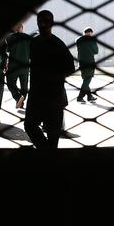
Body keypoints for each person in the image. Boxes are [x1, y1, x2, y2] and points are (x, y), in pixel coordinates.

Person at [24, 10, 75, 149]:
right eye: (40, 21)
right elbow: (70, 68)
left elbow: (70, 67)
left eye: (45, 21)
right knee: (44, 131)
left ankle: (46, 153)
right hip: (45, 95)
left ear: (51, 23)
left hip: (50, 95)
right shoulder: (37, 43)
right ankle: (48, 155)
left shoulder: (54, 44)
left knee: (39, 129)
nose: (42, 24)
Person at [6, 22, 32, 110]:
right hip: (25, 66)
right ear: (22, 27)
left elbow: (7, 51)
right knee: (24, 85)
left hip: (13, 66)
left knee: (10, 83)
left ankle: (17, 97)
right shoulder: (29, 38)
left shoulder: (10, 38)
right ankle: (23, 97)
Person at [75, 27, 99, 103]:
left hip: (81, 63)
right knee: (87, 81)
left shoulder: (78, 40)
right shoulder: (92, 41)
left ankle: (89, 96)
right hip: (89, 63)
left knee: (86, 80)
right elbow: (96, 51)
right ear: (91, 33)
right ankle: (80, 97)